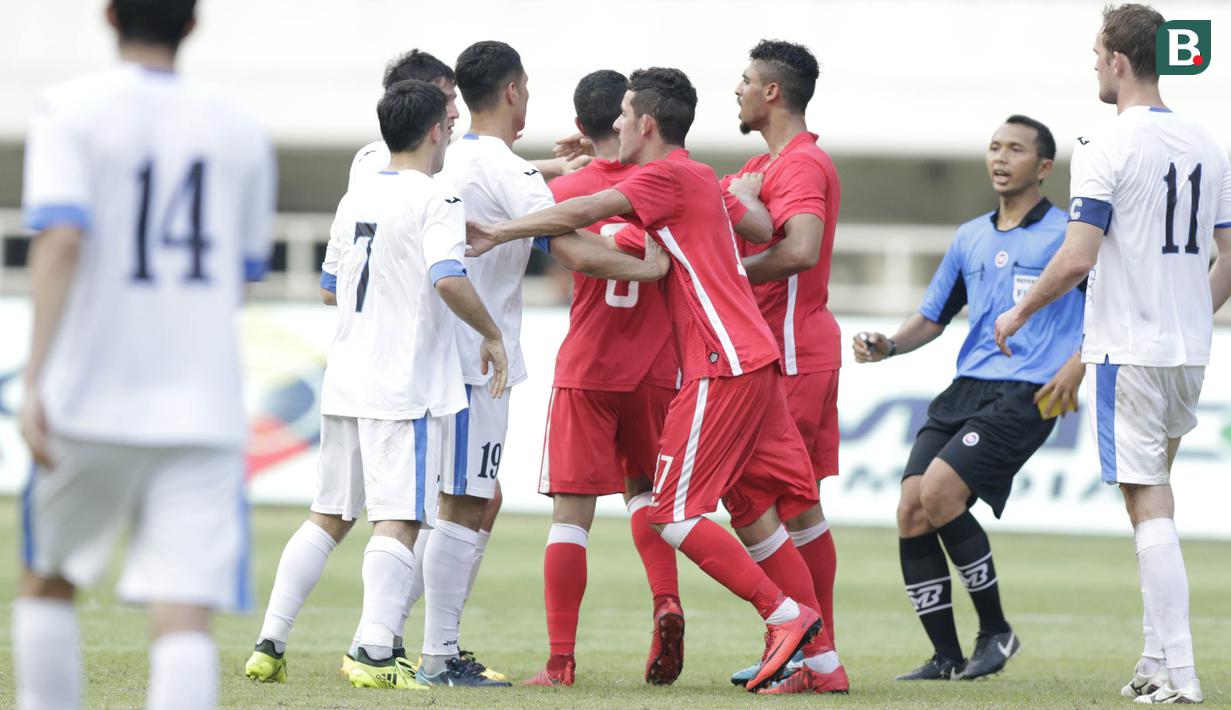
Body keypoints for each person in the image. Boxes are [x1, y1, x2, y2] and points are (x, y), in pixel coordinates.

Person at [468, 67, 848, 695]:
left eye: (624, 115)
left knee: (670, 512)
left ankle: (786, 618)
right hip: (750, 357)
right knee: (761, 510)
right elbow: (758, 226)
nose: (615, 126)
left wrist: (498, 231)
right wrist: (747, 195)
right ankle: (825, 665)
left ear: (645, 123)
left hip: (714, 363)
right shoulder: (699, 175)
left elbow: (585, 212)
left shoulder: (662, 176)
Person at [14, 0, 275, 707]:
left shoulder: (67, 109)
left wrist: (35, 378)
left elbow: (61, 239)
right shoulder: (242, 128)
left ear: (107, 16)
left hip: (88, 395)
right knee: (183, 610)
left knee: (49, 576)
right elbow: (243, 275)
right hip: (200, 404)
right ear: (192, 23)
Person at [995, 5, 1231, 704]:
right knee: (1154, 491)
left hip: (1129, 348)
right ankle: (1156, 661)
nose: (1092, 64)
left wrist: (1019, 309)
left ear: (1118, 61)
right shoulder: (1204, 142)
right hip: (1188, 350)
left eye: (1096, 52)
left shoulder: (1103, 145)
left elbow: (1075, 259)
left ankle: (1181, 675)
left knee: (1146, 504)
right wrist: (1192, 307)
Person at [244, 79, 510, 690]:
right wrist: (490, 334)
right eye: (447, 123)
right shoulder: (436, 196)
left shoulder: (356, 195)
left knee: (328, 515)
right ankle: (372, 652)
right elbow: (447, 277)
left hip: (345, 377)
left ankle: (270, 642)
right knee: (401, 519)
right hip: (401, 383)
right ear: (434, 131)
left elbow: (331, 286)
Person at [419, 41, 664, 688]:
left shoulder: (440, 156)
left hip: (429, 352)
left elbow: (526, 190)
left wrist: (582, 168)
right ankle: (432, 651)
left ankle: (433, 644)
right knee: (469, 501)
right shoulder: (533, 177)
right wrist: (649, 265)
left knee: (468, 501)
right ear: (513, 92)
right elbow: (574, 249)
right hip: (486, 356)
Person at [857, 115, 1085, 681]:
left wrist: (1078, 367)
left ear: (1044, 167)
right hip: (967, 388)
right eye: (993, 148)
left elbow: (1111, 310)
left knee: (938, 491)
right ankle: (946, 657)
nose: (1000, 158)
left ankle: (997, 632)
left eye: (1015, 149)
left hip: (1032, 390)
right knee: (911, 507)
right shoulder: (970, 236)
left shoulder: (1070, 237)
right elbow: (932, 318)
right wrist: (889, 344)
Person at [523, 69, 684, 688]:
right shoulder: (663, 182)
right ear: (626, 118)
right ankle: (665, 602)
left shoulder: (571, 186)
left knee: (570, 517)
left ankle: (560, 661)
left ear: (579, 121)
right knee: (649, 498)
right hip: (655, 368)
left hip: (588, 367)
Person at [720, 39, 843, 687]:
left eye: (743, 81)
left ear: (771, 92)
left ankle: (812, 652)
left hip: (791, 354)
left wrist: (725, 273)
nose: (735, 90)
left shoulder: (798, 165)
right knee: (798, 509)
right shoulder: (761, 164)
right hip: (791, 351)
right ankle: (811, 655)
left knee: (760, 498)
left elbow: (799, 249)